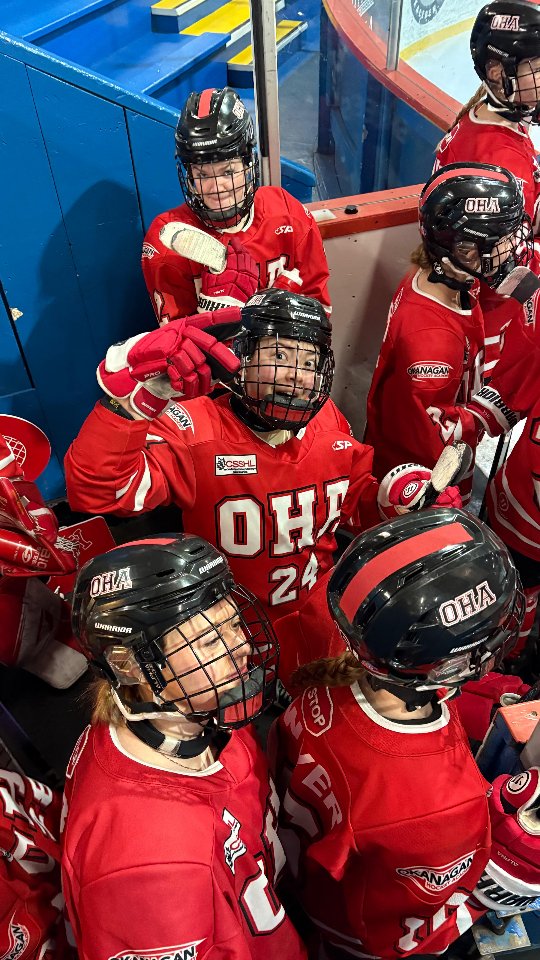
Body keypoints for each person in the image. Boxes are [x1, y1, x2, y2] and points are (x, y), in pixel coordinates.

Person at [64, 289, 460, 639]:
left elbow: (349, 505)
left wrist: (393, 499)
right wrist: (128, 405)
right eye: (280, 355)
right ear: (242, 358)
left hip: (319, 611)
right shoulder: (194, 427)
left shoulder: (328, 419)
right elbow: (99, 491)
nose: (297, 377)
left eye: (309, 363)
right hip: (228, 628)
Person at [269, 507, 525, 959]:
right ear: (446, 665)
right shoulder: (437, 808)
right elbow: (405, 939)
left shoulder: (336, 630)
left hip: (297, 871)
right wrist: (503, 879)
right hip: (348, 930)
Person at [61, 533, 308, 960]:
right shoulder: (148, 863)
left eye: (235, 625)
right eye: (210, 641)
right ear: (130, 664)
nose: (242, 647)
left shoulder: (198, 710)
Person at [364, 161, 533, 503]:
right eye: (501, 240)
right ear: (465, 250)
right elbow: (430, 439)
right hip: (418, 480)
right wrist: (490, 412)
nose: (512, 248)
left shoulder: (448, 278)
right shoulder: (431, 341)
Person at [142, 86, 331, 323]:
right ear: (189, 177)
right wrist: (215, 316)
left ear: (248, 164)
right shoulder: (168, 241)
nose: (217, 187)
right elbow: (174, 340)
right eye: (202, 175)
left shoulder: (287, 213)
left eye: (228, 171)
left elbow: (319, 312)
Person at [434, 0, 540, 378]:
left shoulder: (490, 118)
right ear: (498, 72)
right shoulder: (498, 159)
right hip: (496, 323)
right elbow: (505, 266)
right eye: (537, 69)